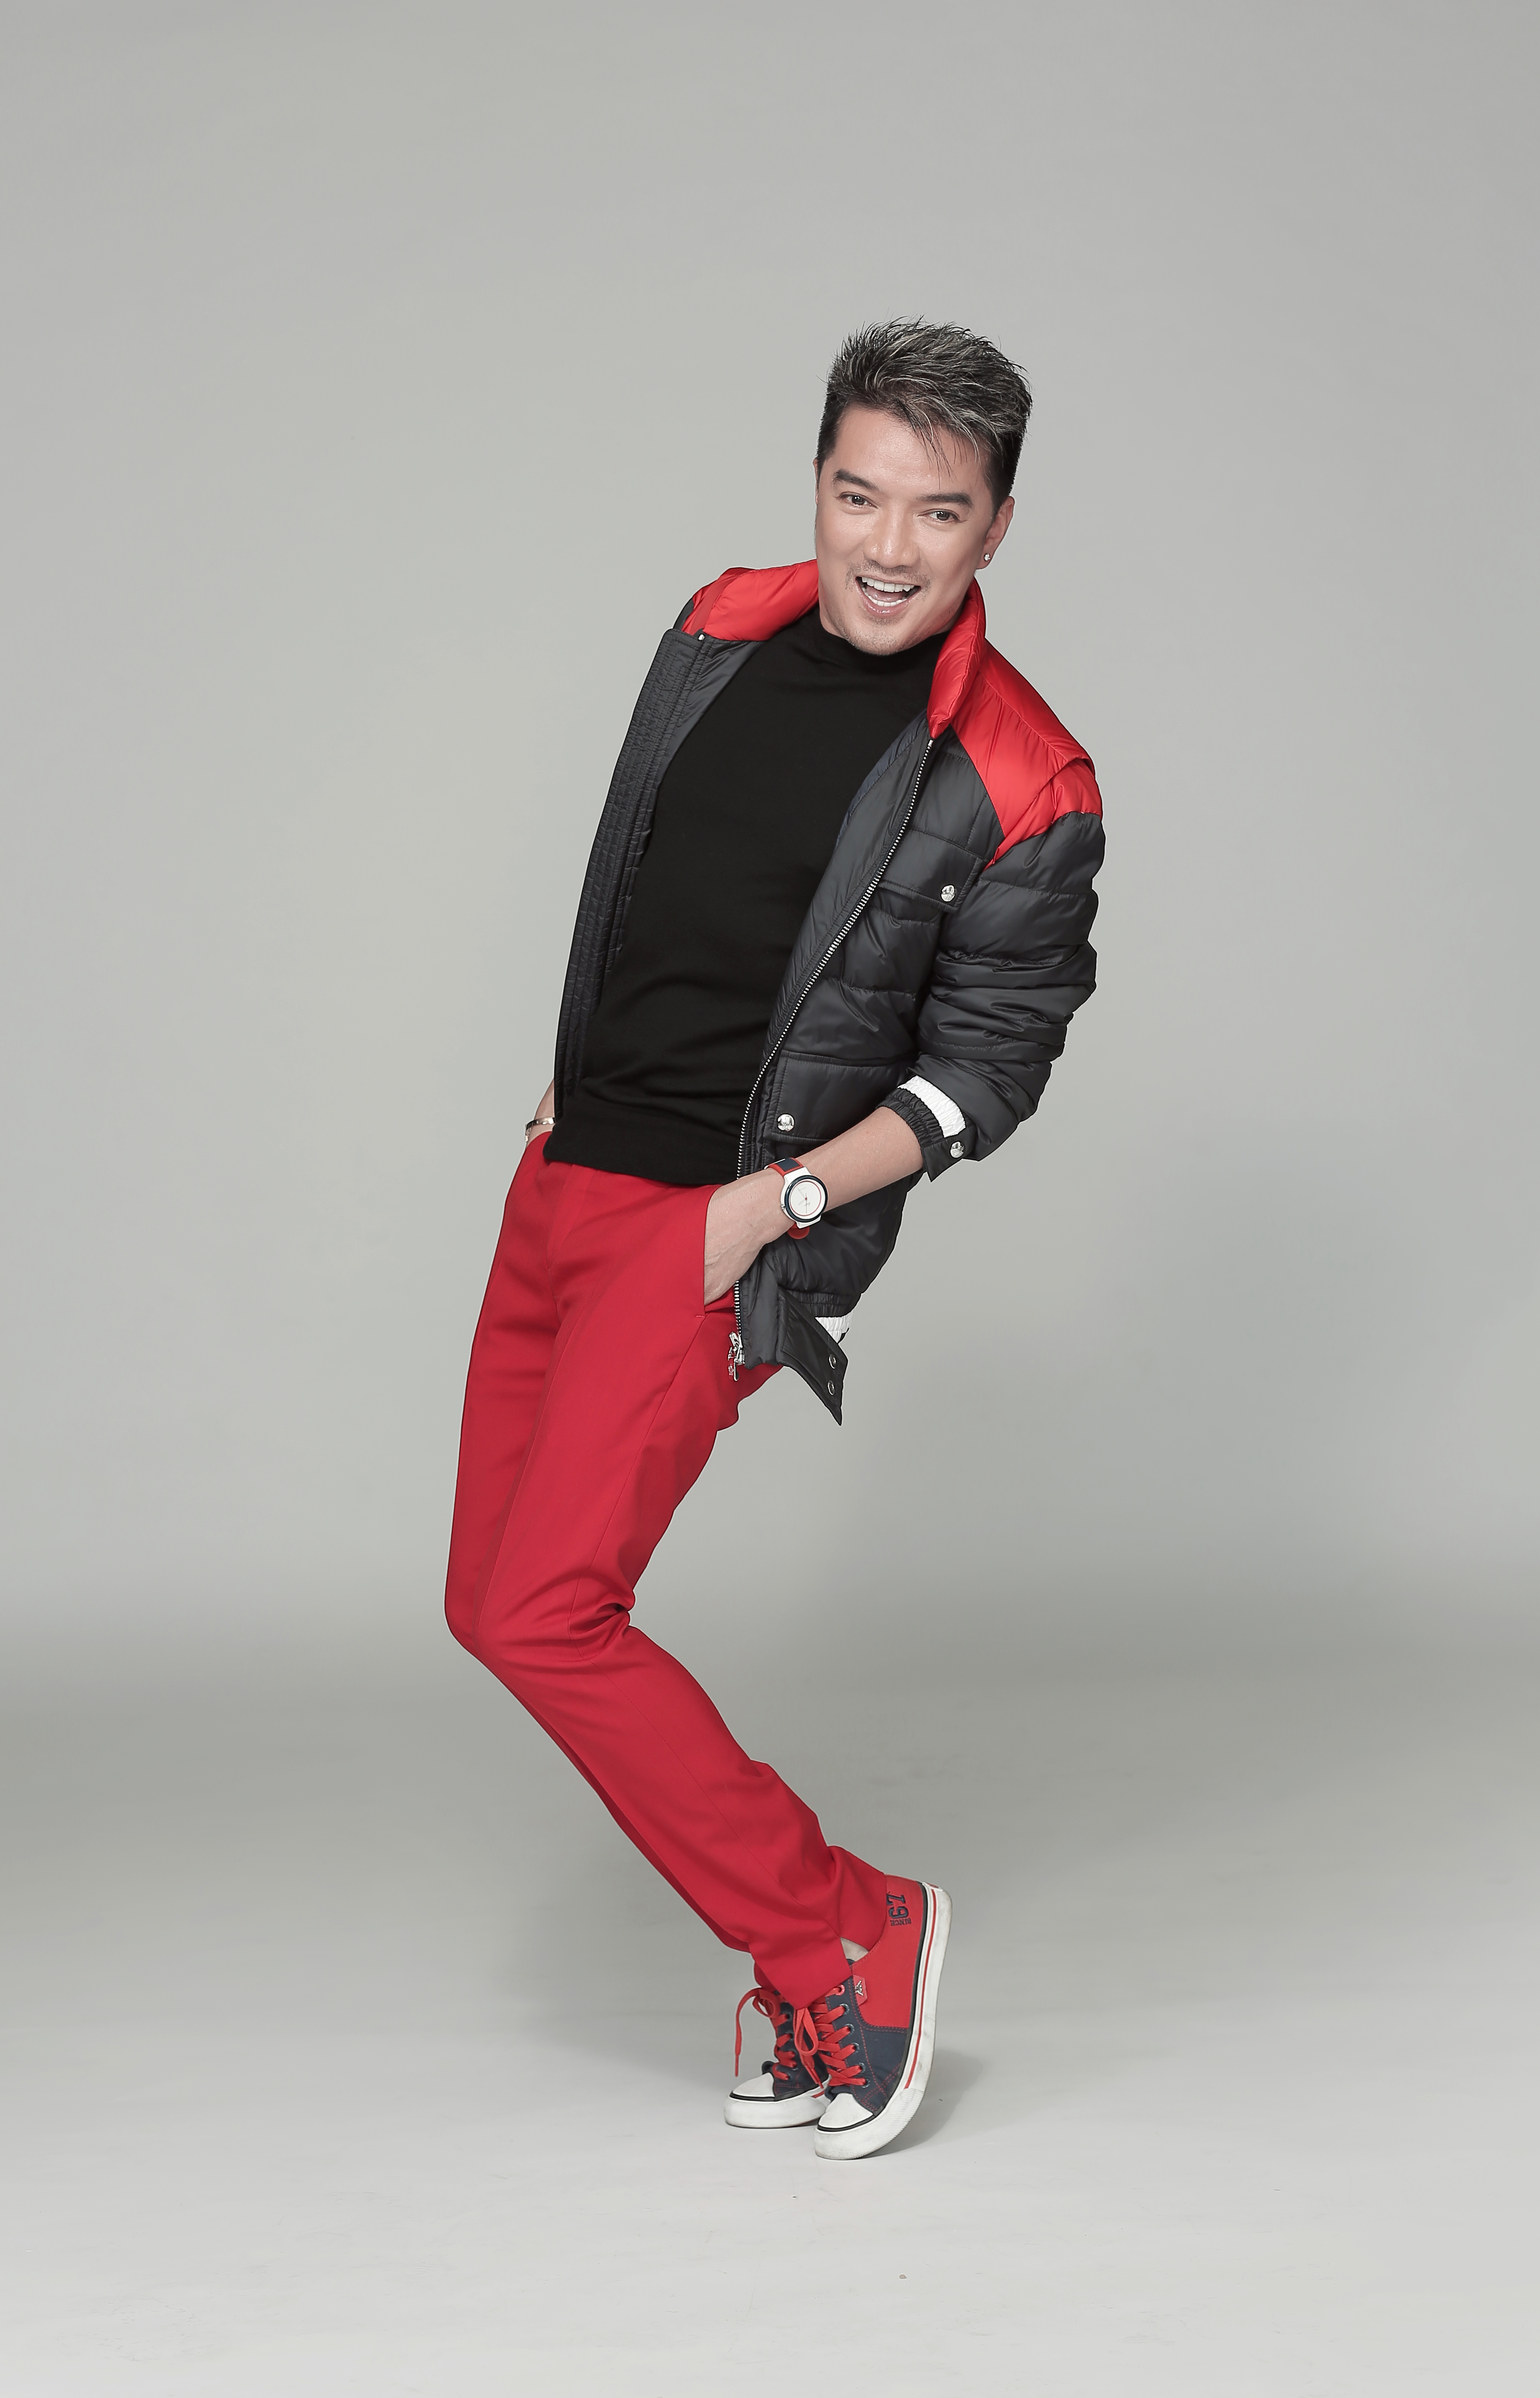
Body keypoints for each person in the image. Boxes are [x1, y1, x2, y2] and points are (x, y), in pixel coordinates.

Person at [444, 320, 1103, 2160]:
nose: (888, 547)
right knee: (487, 1601)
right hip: (568, 1182)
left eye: (939, 513)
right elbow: (655, 884)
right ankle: (816, 1943)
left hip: (713, 1230)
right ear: (815, 481)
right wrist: (573, 1086)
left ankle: (842, 1936)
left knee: (549, 1610)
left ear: (995, 528)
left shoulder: (1023, 773)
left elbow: (990, 1074)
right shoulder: (715, 632)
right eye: (858, 494)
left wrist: (774, 1212)